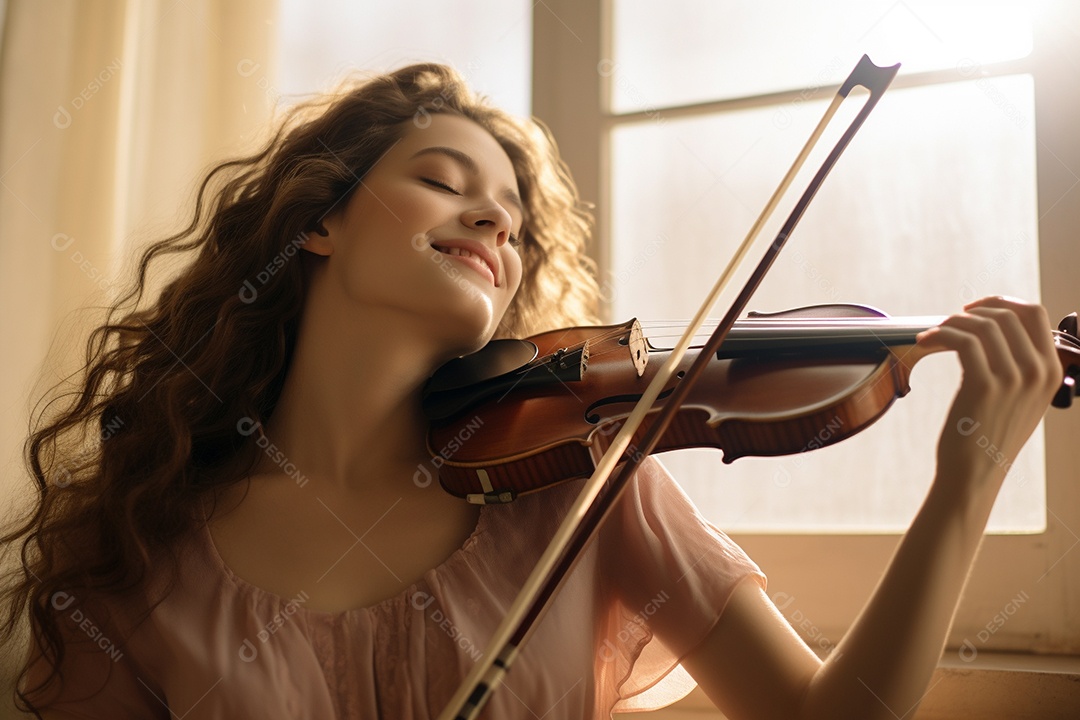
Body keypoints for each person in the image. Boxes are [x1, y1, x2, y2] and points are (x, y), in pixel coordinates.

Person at [0, 63, 1062, 720]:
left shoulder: (585, 487)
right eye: (443, 182)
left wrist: (966, 480)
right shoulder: (136, 560)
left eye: (511, 212)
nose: (495, 223)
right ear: (315, 224)